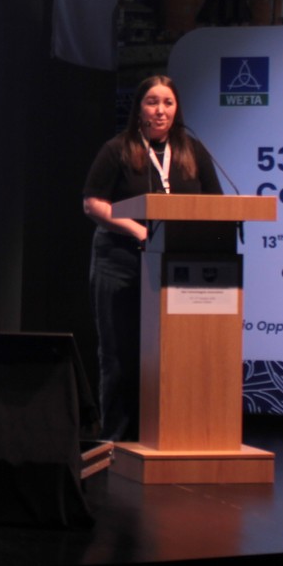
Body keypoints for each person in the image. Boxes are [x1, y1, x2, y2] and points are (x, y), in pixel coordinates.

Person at [80, 75, 219, 442]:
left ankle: (170, 435)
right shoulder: (118, 149)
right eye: (152, 102)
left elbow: (215, 204)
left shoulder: (192, 151)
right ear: (139, 109)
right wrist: (140, 231)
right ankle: (118, 440)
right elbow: (93, 203)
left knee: (175, 354)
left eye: (167, 103)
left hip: (177, 264)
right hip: (120, 260)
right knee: (119, 354)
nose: (160, 110)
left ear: (177, 109)